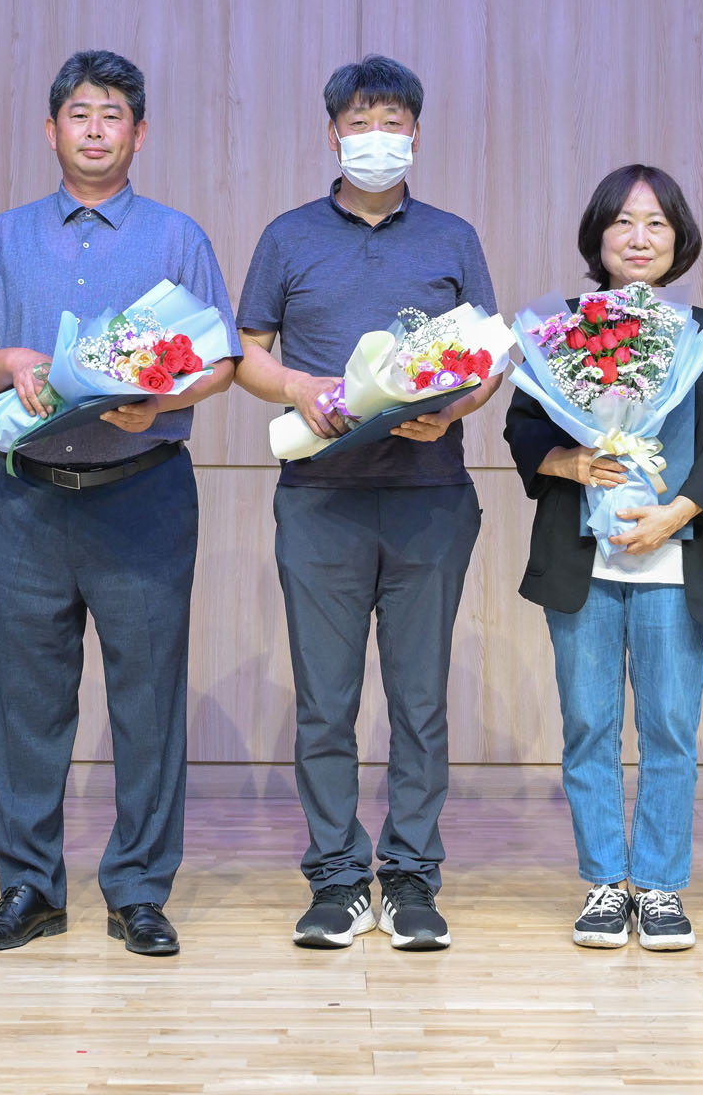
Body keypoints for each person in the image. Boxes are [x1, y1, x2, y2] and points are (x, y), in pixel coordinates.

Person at [0, 50, 236, 958]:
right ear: (51, 129)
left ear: (139, 133)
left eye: (113, 114)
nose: (96, 129)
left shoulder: (178, 237)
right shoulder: (5, 238)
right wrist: (10, 362)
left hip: (142, 494)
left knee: (147, 703)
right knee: (28, 705)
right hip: (26, 500)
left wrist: (166, 396)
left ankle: (139, 890)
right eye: (80, 113)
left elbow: (222, 361)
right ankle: (29, 888)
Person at [234, 55, 502, 952]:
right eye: (360, 124)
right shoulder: (289, 236)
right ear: (333, 135)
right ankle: (340, 878)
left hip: (430, 496)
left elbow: (488, 357)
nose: (376, 138)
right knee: (326, 702)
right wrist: (297, 386)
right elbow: (246, 353)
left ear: (415, 134)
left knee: (420, 702)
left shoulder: (453, 238)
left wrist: (455, 409)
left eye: (392, 123)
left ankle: (413, 876)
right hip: (321, 499)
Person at [502, 166, 703, 951]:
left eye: (656, 224)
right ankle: (606, 882)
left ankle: (663, 886)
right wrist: (566, 462)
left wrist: (679, 511)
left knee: (671, 725)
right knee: (588, 724)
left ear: (678, 240)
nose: (638, 238)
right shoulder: (561, 328)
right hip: (585, 557)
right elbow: (522, 426)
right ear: (598, 236)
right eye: (623, 222)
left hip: (674, 557)